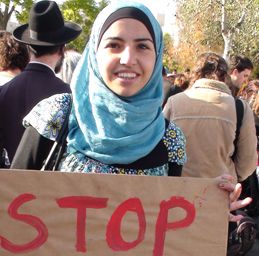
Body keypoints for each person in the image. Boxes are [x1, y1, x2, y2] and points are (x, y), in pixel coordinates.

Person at [11, 2, 250, 221]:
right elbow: (9, 203)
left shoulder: (169, 139)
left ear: (157, 57)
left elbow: (169, 226)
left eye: (143, 46)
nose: (128, 58)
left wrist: (207, 210)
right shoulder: (57, 115)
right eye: (114, 45)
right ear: (94, 52)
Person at [0, 0, 81, 164]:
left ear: (29, 46)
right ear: (62, 48)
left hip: (6, 185)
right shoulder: (67, 96)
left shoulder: (3, 91)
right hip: (47, 187)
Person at [163, 52, 257, 182]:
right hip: (221, 190)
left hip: (179, 189)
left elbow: (161, 148)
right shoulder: (239, 107)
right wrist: (232, 176)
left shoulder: (174, 102)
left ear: (196, 74)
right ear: (225, 76)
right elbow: (248, 160)